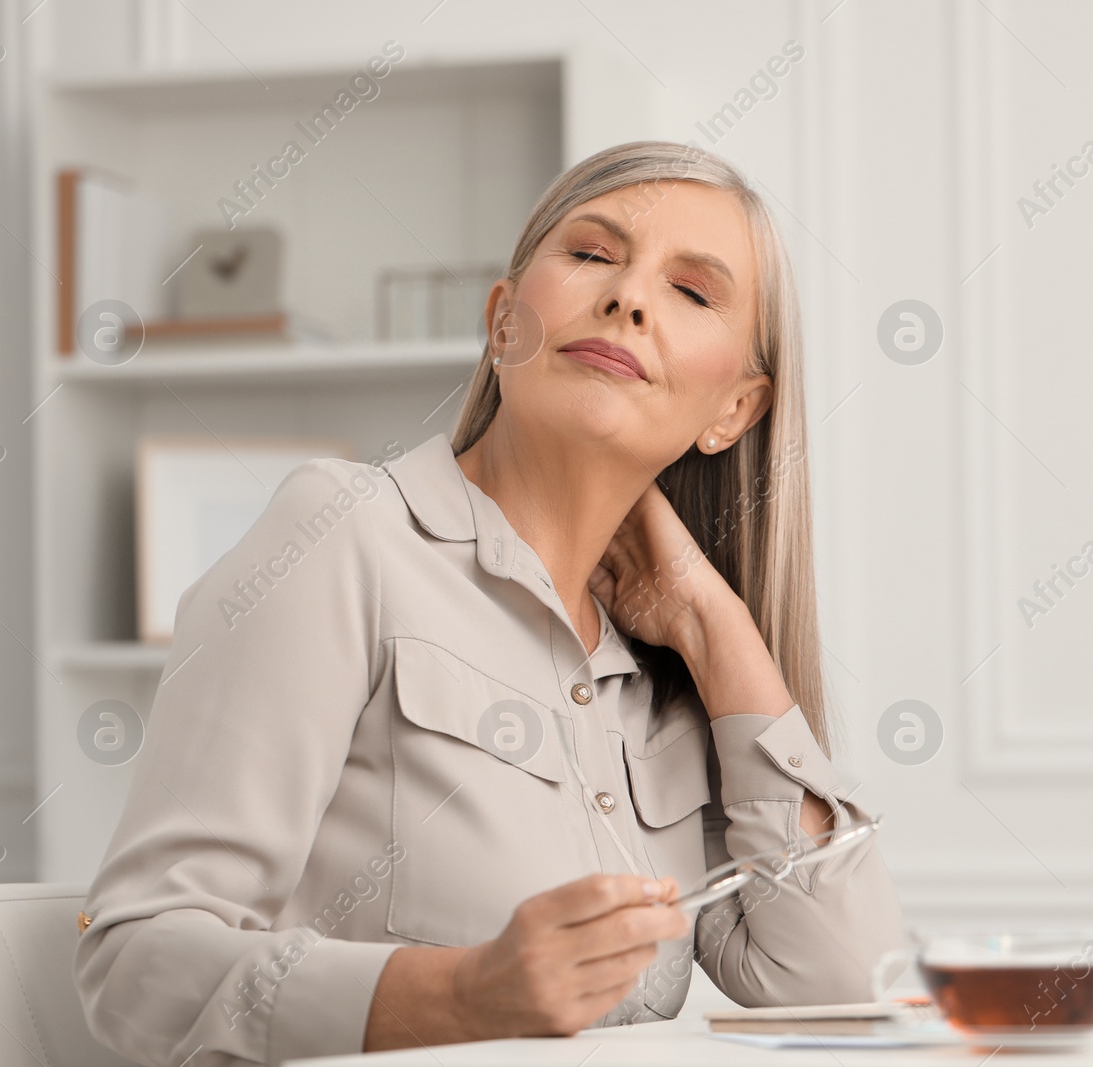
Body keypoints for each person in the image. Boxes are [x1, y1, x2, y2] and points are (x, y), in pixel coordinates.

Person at [74, 140, 905, 1066]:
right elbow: (135, 971)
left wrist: (717, 629)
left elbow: (841, 989)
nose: (628, 297)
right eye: (592, 254)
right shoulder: (339, 536)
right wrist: (465, 994)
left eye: (693, 291)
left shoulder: (671, 676)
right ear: (504, 320)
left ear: (734, 412)